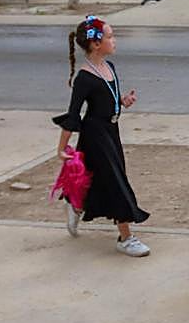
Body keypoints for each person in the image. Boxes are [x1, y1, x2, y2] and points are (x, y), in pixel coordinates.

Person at [54, 16, 150, 257]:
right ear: (96, 44)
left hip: (111, 131)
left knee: (100, 179)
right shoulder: (84, 78)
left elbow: (109, 100)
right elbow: (74, 114)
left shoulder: (110, 68)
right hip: (95, 135)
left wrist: (123, 102)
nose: (114, 40)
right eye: (109, 37)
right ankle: (125, 237)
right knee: (116, 181)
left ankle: (75, 205)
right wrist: (62, 147)